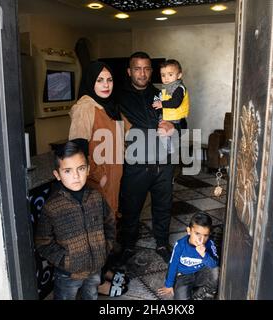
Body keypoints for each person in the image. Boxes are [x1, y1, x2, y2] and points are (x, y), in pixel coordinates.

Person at [68, 61, 130, 296]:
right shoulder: (86, 107)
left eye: (109, 79)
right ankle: (96, 284)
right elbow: (78, 147)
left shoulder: (109, 107)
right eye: (100, 80)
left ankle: (103, 272)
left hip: (113, 181)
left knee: (106, 231)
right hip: (97, 183)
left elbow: (127, 132)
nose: (106, 85)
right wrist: (97, 176)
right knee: (95, 235)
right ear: (90, 82)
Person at [34, 141, 117, 300]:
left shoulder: (96, 197)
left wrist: (105, 247)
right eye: (67, 171)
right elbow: (43, 242)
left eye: (81, 169)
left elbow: (109, 224)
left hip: (95, 268)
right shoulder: (52, 207)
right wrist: (65, 260)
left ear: (88, 169)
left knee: (91, 295)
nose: (76, 176)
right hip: (68, 274)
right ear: (57, 175)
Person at [117, 51, 177, 264]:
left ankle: (162, 242)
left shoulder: (163, 95)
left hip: (163, 162)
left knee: (163, 204)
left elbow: (181, 120)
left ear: (151, 71)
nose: (142, 73)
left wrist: (174, 125)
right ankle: (128, 246)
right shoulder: (118, 97)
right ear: (129, 71)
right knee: (131, 207)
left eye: (146, 68)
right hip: (136, 162)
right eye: (137, 68)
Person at [158, 212, 220, 300]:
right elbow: (173, 264)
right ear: (189, 231)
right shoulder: (180, 245)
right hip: (184, 276)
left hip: (201, 273)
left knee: (215, 269)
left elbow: (214, 265)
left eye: (205, 235)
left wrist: (204, 254)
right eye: (197, 234)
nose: (201, 240)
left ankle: (207, 293)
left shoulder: (209, 244)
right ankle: (194, 292)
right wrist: (169, 285)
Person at [152, 59, 189, 131]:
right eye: (163, 75)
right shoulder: (166, 88)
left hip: (177, 121)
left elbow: (175, 102)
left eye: (170, 74)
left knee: (173, 139)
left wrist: (161, 104)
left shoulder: (179, 88)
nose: (166, 78)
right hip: (169, 118)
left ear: (179, 75)